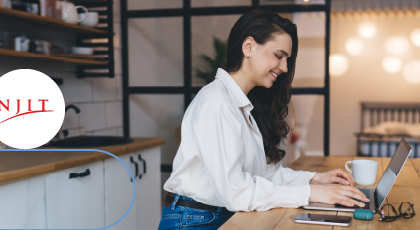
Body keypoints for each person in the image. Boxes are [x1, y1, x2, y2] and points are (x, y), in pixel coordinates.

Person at [158, 10, 369, 230]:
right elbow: (235, 192)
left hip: (217, 215)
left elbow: (261, 174)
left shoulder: (241, 103)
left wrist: (314, 180)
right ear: (248, 47)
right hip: (195, 220)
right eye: (279, 56)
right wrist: (309, 193)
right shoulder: (217, 103)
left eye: (287, 59)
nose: (285, 68)